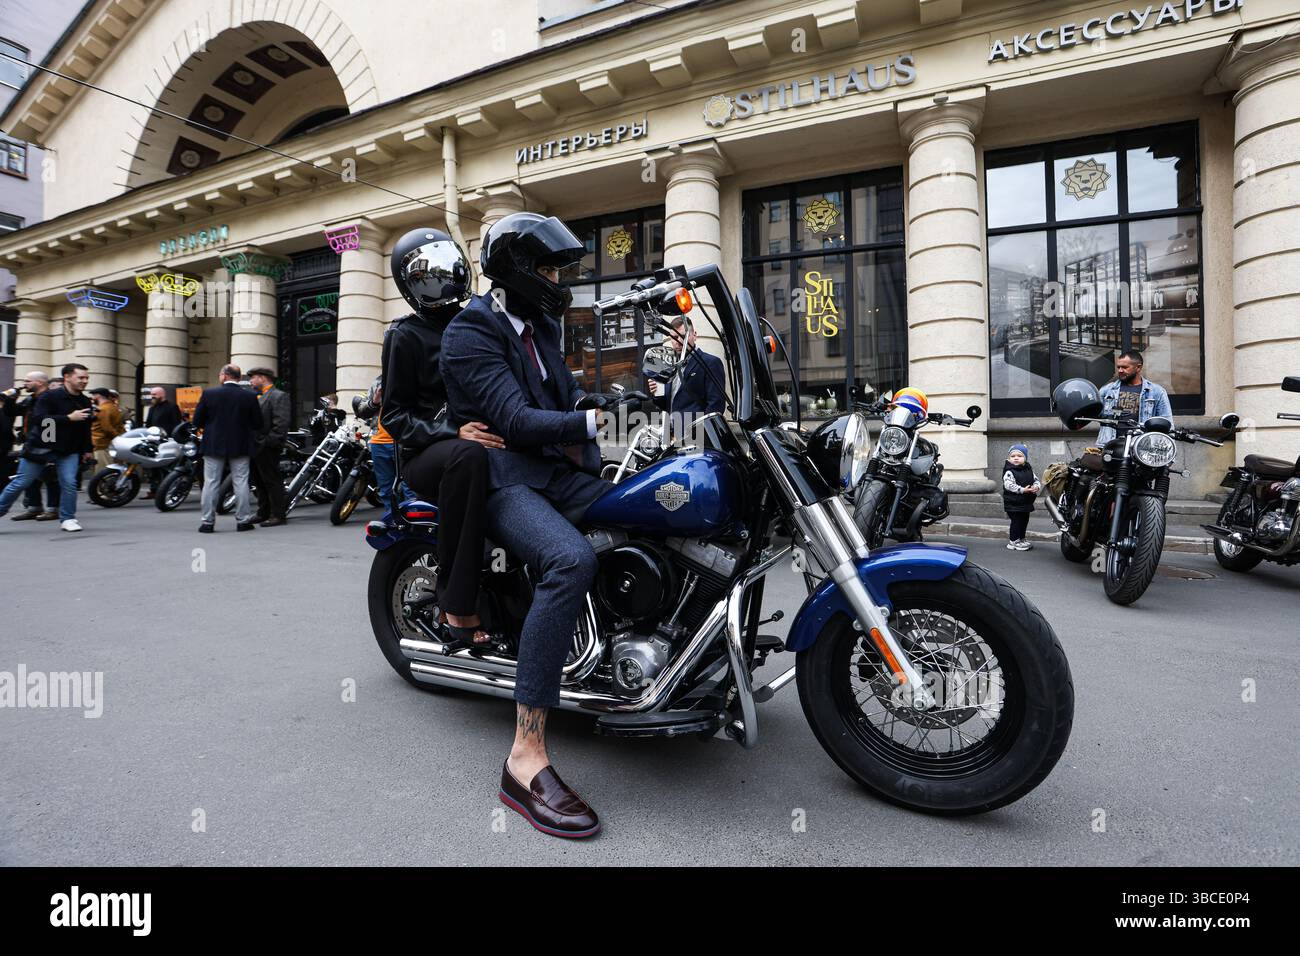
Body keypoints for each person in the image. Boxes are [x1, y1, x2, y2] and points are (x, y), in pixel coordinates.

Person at [442, 212, 623, 840]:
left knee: (656, 509)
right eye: (546, 268)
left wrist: (609, 404)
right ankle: (525, 756)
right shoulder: (470, 329)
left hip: (554, 471)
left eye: (557, 268)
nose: (555, 279)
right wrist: (588, 425)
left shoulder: (542, 325)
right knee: (570, 560)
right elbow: (515, 420)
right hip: (503, 479)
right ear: (516, 270)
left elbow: (563, 397)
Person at [381, 227, 495, 646]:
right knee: (468, 457)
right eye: (428, 274)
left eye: (446, 268)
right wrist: (452, 429)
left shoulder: (476, 323)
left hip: (478, 442)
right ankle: (456, 603)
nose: (442, 279)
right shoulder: (404, 336)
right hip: (428, 454)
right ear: (410, 285)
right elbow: (394, 414)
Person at [0, 363, 94, 532]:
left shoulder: (84, 400)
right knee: (21, 482)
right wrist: (68, 418)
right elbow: (40, 420)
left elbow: (84, 427)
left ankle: (68, 518)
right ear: (67, 377)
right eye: (81, 377)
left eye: (86, 378)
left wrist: (88, 449)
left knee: (69, 484)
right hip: (40, 448)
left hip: (69, 450)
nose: (85, 381)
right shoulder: (49, 397)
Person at [192, 364, 262, 533]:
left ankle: (207, 522)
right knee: (241, 482)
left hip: (214, 444)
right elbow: (258, 423)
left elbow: (197, 421)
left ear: (224, 376)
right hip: (241, 445)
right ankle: (243, 521)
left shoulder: (209, 394)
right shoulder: (249, 396)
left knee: (211, 483)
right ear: (238, 377)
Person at [648, 313, 726, 438]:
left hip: (697, 437)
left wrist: (700, 434)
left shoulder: (710, 362)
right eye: (673, 337)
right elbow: (666, 405)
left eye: (682, 337)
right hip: (671, 437)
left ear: (694, 335)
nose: (678, 342)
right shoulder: (667, 367)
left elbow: (716, 405)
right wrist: (657, 393)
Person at [3, 372, 60, 520]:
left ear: (39, 383)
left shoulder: (49, 399)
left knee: (50, 477)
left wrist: (49, 447)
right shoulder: (30, 399)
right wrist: (10, 399)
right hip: (31, 442)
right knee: (31, 478)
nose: (24, 383)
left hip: (44, 444)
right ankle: (34, 507)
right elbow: (11, 412)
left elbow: (51, 423)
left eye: (28, 381)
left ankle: (53, 509)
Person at [1096, 349, 1172, 445]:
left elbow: (1167, 423)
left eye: (1124, 367)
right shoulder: (1107, 390)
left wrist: (1165, 451)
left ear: (1138, 367)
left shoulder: (1156, 392)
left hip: (1141, 447)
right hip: (1110, 445)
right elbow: (1095, 414)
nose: (1120, 370)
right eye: (1118, 367)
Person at [246, 367, 291, 527]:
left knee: (272, 481)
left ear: (263, 378)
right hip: (256, 446)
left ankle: (278, 515)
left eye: (253, 378)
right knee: (259, 481)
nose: (250, 381)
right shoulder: (259, 396)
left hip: (267, 447)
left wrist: (266, 442)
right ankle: (263, 512)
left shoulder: (279, 396)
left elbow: (281, 424)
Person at [1002, 443, 1041, 552]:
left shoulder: (1029, 470)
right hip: (1013, 502)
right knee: (1016, 521)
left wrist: (1036, 487)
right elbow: (1008, 485)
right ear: (1009, 458)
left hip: (1025, 502)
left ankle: (1021, 538)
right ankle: (1013, 541)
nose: (1016, 458)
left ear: (1025, 458)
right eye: (1013, 456)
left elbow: (1036, 480)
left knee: (1024, 520)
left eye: (1019, 456)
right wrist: (1023, 490)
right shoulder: (1009, 471)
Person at [88, 387, 125, 473]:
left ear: (98, 396)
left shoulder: (103, 409)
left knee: (101, 472)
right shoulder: (112, 407)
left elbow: (107, 428)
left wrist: (117, 438)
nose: (93, 398)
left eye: (93, 395)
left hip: (101, 444)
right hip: (107, 444)